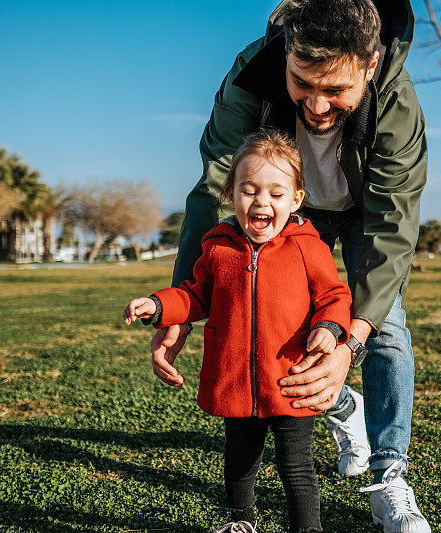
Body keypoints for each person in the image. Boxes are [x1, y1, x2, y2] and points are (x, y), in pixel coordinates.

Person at [152, 1, 430, 531]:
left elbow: (392, 223)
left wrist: (352, 342)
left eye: (336, 90)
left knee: (387, 329)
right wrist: (179, 308)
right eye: (304, 84)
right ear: (287, 54)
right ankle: (342, 407)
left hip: (362, 213)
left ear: (370, 66)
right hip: (283, 212)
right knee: (281, 327)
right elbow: (215, 190)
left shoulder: (396, 102)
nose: (319, 106)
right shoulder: (251, 76)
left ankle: (389, 475)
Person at [124, 130, 352, 533]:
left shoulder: (307, 246)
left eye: (276, 194)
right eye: (249, 190)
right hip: (235, 380)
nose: (262, 201)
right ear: (231, 194)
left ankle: (308, 529)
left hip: (290, 378)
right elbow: (195, 297)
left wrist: (330, 327)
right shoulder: (218, 246)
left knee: (295, 465)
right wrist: (158, 306)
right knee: (240, 458)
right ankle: (241, 522)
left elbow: (334, 295)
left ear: (296, 199)